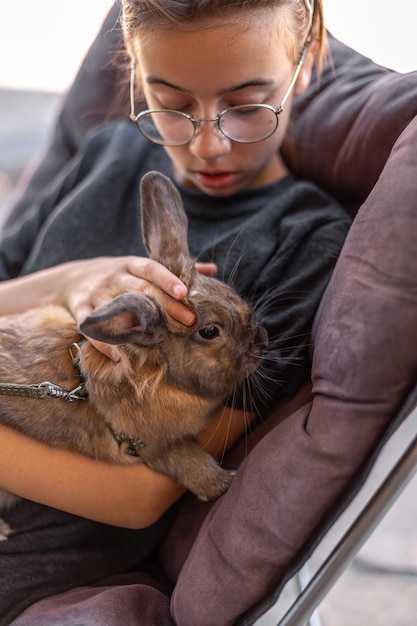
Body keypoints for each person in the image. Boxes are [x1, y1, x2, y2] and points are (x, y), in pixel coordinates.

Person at [0, 0, 351, 622]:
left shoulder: (304, 243)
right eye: (171, 104)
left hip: (34, 553)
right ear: (134, 73)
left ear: (305, 60)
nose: (209, 143)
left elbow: (142, 494)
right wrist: (66, 281)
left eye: (247, 105)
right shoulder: (109, 155)